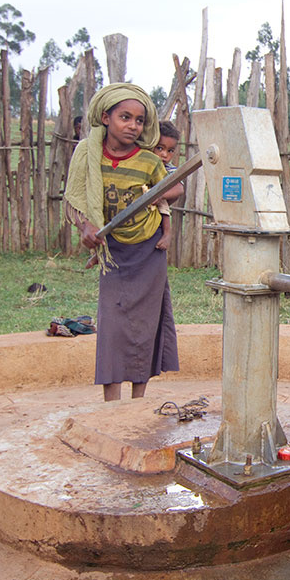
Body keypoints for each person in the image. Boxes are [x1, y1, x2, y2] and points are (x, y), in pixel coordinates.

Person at [64, 84, 184, 402]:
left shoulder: (148, 160)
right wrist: (85, 226)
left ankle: (138, 403)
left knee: (145, 327)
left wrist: (151, 196)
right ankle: (112, 406)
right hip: (113, 253)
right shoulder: (87, 155)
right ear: (105, 117)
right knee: (113, 327)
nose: (132, 125)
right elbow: (75, 200)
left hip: (148, 250)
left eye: (139, 120)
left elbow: (176, 188)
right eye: (124, 117)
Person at [152, 120, 181, 252]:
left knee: (163, 204)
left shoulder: (169, 169)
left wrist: (159, 194)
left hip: (158, 201)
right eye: (160, 148)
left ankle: (167, 234)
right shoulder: (142, 163)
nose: (164, 155)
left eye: (170, 151)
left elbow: (180, 188)